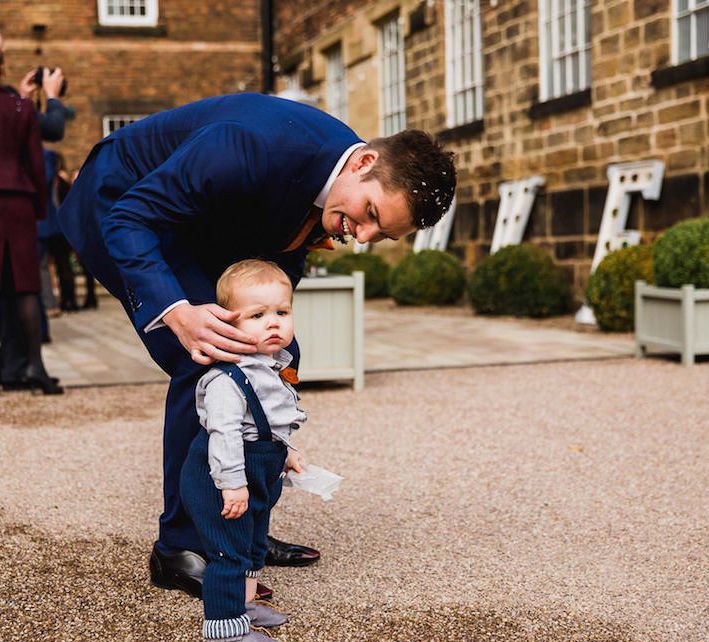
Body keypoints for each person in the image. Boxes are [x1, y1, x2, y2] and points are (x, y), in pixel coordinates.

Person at [58, 92, 456, 598]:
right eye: (370, 211)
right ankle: (179, 549)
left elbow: (278, 254)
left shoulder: (335, 186)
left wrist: (271, 331)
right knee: (208, 358)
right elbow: (133, 218)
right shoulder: (251, 146)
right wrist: (179, 312)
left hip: (202, 219)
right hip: (121, 198)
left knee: (278, 357)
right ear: (364, 161)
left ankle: (241, 532)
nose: (362, 233)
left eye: (382, 232)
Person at [181, 259, 307, 642]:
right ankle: (224, 630)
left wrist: (286, 453)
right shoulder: (226, 379)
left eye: (281, 313)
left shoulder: (269, 369)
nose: (274, 323)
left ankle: (246, 607)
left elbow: (269, 423)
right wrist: (232, 484)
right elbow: (225, 435)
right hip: (222, 479)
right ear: (230, 325)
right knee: (228, 552)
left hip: (258, 473)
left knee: (253, 545)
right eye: (257, 315)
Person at [0, 32, 68, 391]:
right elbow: (33, 162)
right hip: (16, 201)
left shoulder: (18, 105)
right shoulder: (18, 108)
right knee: (24, 287)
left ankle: (10, 370)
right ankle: (33, 368)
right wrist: (40, 207)